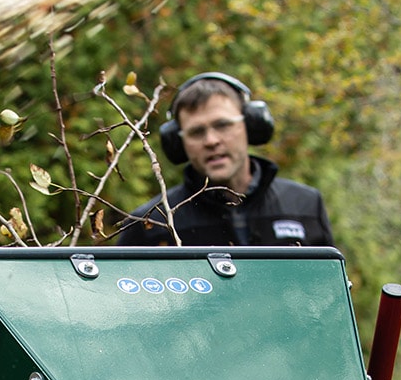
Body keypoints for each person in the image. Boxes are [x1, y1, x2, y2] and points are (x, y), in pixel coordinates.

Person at [117, 72, 334, 248]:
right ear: (178, 142)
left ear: (250, 125)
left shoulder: (305, 205)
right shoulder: (152, 223)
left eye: (223, 125)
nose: (211, 141)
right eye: (196, 132)